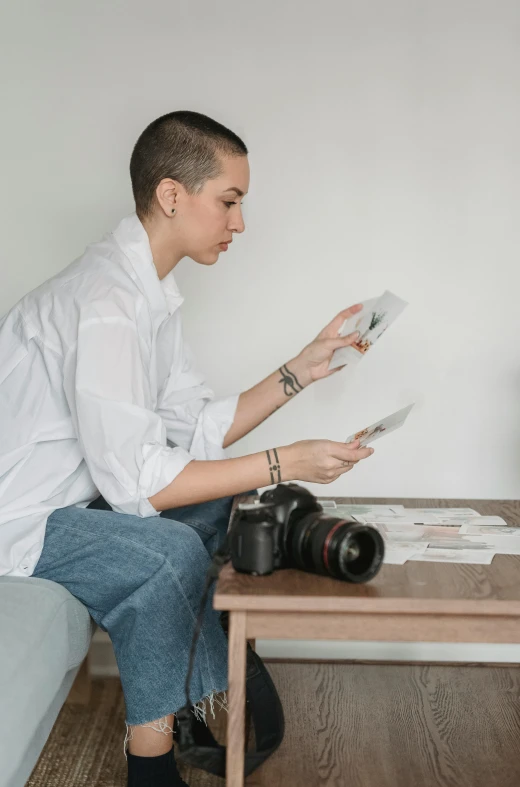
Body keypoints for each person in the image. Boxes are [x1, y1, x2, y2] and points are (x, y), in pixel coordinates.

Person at [0, 110, 374, 786]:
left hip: (79, 498)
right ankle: (152, 756)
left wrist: (303, 367)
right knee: (171, 550)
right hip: (22, 519)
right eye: (229, 201)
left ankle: (192, 698)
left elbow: (194, 428)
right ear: (173, 195)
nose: (240, 224)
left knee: (225, 503)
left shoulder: (149, 297)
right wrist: (286, 461)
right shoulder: (108, 302)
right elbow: (143, 484)